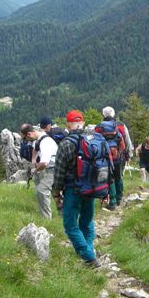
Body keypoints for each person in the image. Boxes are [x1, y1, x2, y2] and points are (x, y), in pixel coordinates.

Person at [52, 110, 101, 268]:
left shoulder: (65, 144)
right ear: (83, 123)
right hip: (92, 188)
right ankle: (89, 249)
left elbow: (59, 172)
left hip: (73, 189)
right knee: (86, 222)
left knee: (70, 224)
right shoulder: (94, 140)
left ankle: (89, 257)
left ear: (67, 124)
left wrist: (56, 193)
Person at [95, 106, 133, 210]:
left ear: (103, 115)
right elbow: (127, 141)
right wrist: (129, 154)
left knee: (109, 178)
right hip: (119, 156)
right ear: (114, 114)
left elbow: (95, 142)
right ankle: (119, 198)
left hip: (104, 158)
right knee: (118, 176)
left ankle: (112, 201)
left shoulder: (98, 127)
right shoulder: (121, 125)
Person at [20, 123, 58, 219]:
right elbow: (35, 149)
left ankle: (46, 220)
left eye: (25, 139)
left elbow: (44, 163)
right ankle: (48, 215)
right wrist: (33, 161)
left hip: (52, 169)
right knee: (42, 191)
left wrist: (35, 170)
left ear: (29, 134)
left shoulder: (46, 142)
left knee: (42, 191)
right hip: (46, 168)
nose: (26, 141)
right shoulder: (39, 137)